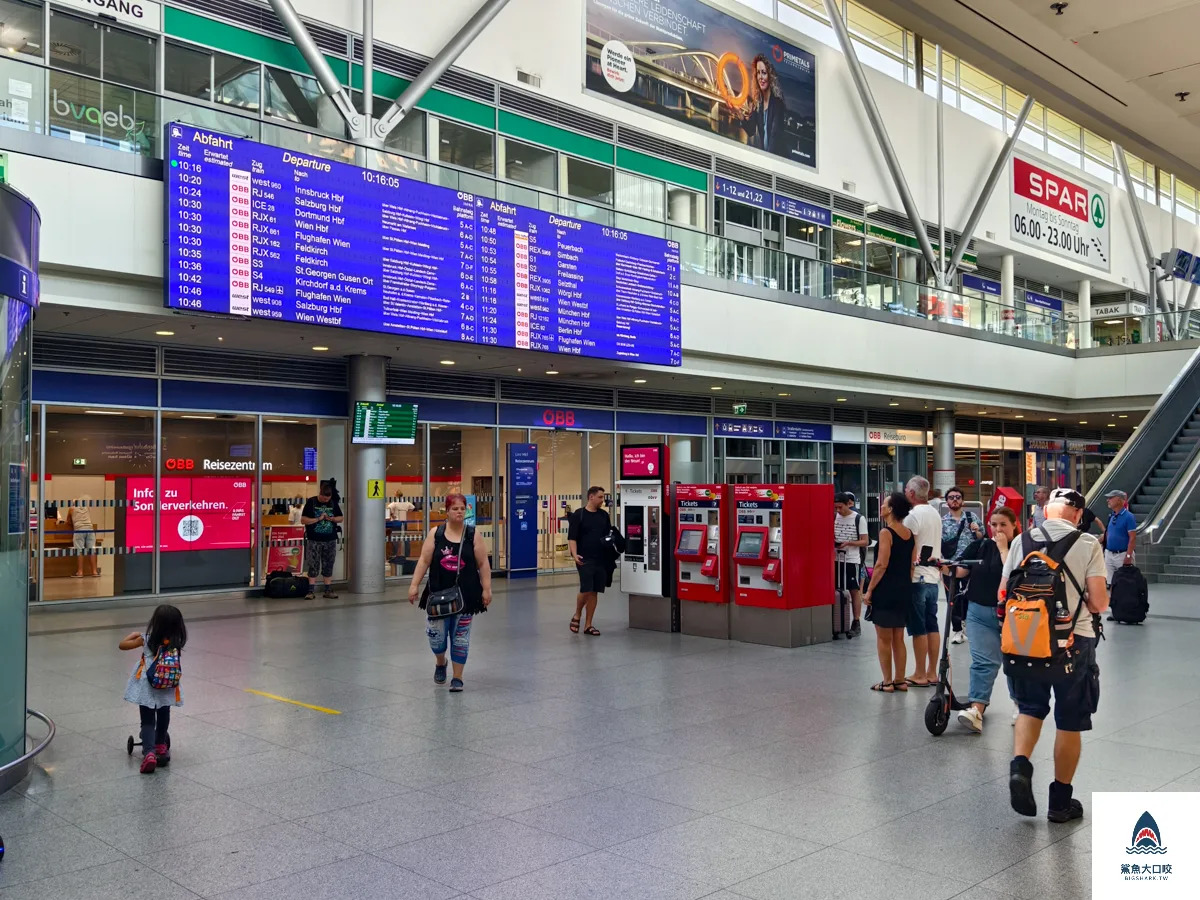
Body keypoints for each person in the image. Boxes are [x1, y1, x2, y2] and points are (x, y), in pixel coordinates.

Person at [1002, 488, 1108, 822]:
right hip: (1074, 642)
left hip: (1027, 640)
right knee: (1069, 719)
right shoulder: (1088, 543)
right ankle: (1060, 803)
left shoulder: (1021, 540)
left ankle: (1020, 764)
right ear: (1077, 514)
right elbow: (1100, 602)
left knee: (1030, 708)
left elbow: (1003, 593)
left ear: (1048, 511)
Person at [408, 493, 491, 692]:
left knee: (460, 636)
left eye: (462, 508)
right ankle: (440, 662)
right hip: (437, 594)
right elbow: (424, 560)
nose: (459, 512)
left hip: (467, 594)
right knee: (436, 637)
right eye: (455, 508)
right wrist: (414, 585)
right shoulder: (436, 534)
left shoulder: (473, 534)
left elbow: (483, 563)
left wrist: (486, 589)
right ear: (447, 511)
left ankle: (458, 677)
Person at [955, 506, 1020, 734]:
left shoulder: (1020, 547)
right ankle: (977, 709)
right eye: (993, 525)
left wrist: (1004, 549)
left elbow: (1012, 573)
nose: (997, 529)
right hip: (979, 611)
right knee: (983, 662)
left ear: (1014, 524)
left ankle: (1019, 704)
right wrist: (942, 566)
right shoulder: (981, 545)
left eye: (1003, 524)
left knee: (1014, 662)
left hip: (1013, 614)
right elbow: (961, 570)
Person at [120, 605, 187, 774]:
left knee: (148, 720)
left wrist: (133, 635)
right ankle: (161, 746)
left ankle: (149, 753)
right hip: (167, 684)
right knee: (164, 714)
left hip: (148, 685)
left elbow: (122, 645)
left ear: (155, 623)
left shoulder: (146, 639)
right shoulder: (176, 642)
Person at [862, 491, 914, 692]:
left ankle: (887, 681)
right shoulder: (909, 534)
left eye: (884, 504)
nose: (881, 507)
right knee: (898, 637)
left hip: (886, 589)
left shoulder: (886, 533)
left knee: (883, 638)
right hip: (903, 589)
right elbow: (911, 565)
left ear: (891, 509)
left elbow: (881, 564)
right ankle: (900, 680)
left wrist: (869, 590)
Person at [903, 475, 943, 687]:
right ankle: (931, 672)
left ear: (911, 493)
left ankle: (919, 673)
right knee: (931, 624)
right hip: (933, 577)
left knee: (918, 627)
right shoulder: (935, 513)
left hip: (917, 576)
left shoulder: (913, 516)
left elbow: (908, 547)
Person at [941, 486, 984, 644]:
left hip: (969, 563)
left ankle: (967, 622)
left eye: (958, 497)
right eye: (951, 497)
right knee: (951, 597)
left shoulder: (971, 517)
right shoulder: (943, 521)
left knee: (969, 595)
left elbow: (981, 537)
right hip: (950, 564)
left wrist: (977, 531)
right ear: (947, 502)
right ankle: (957, 629)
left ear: (962, 501)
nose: (954, 500)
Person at [567, 486, 612, 636]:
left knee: (594, 591)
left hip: (601, 558)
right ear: (591, 497)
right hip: (584, 558)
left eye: (603, 497)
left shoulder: (604, 516)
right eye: (600, 497)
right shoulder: (579, 515)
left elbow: (608, 535)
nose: (602, 500)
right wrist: (574, 555)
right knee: (586, 589)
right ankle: (577, 614)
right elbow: (572, 538)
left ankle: (588, 625)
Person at [302, 479, 344, 599]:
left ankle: (328, 590)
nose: (326, 501)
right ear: (320, 494)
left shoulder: (333, 503)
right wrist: (318, 519)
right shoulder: (311, 502)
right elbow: (303, 520)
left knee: (329, 564)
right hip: (314, 539)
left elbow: (340, 518)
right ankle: (311, 591)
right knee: (313, 564)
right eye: (324, 499)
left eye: (328, 499)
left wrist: (332, 519)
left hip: (330, 539)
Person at [834, 491, 869, 636]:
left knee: (854, 590)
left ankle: (856, 621)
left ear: (848, 504)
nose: (838, 510)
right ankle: (838, 621)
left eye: (840, 507)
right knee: (836, 588)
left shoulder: (858, 519)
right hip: (836, 558)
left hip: (852, 559)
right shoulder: (834, 517)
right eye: (836, 507)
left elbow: (865, 541)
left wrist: (849, 543)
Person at [742, 54, 786, 153]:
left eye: (764, 73)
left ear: (770, 76)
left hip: (778, 159)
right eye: (758, 73)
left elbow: (775, 137)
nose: (760, 77)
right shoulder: (758, 104)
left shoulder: (778, 104)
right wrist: (739, 115)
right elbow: (751, 130)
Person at [1098, 489, 1137, 586]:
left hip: (1122, 554)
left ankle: (1126, 600)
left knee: (1125, 582)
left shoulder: (1129, 517)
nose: (1108, 500)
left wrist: (1128, 556)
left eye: (1111, 498)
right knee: (1110, 582)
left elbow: (1132, 538)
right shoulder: (1112, 515)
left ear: (1119, 500)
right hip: (1109, 554)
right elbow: (1109, 533)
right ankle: (1113, 600)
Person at [68, 495, 99, 578]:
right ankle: (95, 572)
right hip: (90, 529)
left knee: (80, 550)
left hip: (79, 530)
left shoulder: (71, 509)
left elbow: (68, 521)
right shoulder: (86, 508)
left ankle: (80, 572)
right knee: (92, 550)